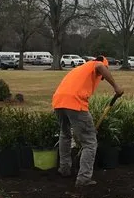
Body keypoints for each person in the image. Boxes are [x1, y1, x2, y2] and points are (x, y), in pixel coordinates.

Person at [51, 55, 124, 187]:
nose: (102, 77)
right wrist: (116, 87)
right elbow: (100, 66)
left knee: (65, 134)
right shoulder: (96, 64)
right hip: (75, 102)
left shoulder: (80, 69)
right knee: (90, 142)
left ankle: (64, 168)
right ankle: (84, 178)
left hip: (58, 101)